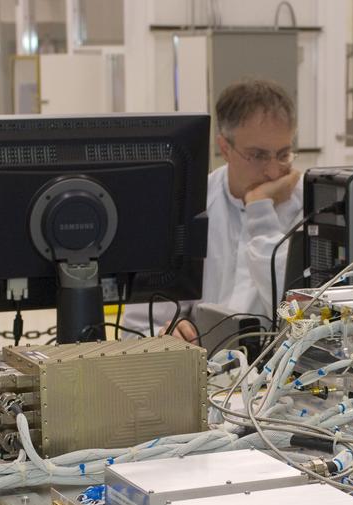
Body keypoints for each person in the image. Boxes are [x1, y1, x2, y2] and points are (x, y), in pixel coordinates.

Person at [125, 78, 303, 341]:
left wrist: (260, 211)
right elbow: (136, 328)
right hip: (201, 369)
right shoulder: (187, 205)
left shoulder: (307, 211)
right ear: (225, 148)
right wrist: (166, 334)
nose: (274, 170)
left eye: (284, 154)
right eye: (258, 155)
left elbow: (297, 319)